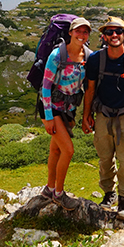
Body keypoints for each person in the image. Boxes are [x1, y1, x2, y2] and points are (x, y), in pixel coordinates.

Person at [81, 16, 124, 220]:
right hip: (103, 114)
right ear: (104, 36)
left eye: (118, 32)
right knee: (104, 157)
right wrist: (86, 116)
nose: (114, 35)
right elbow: (90, 90)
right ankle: (108, 194)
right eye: (109, 32)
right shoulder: (95, 60)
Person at [39, 16, 91, 211]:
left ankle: (49, 189)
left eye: (85, 32)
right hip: (52, 107)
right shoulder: (57, 56)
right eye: (78, 30)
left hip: (69, 109)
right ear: (70, 32)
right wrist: (48, 117)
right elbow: (45, 87)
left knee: (56, 149)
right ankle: (59, 195)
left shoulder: (88, 56)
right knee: (68, 150)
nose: (81, 35)